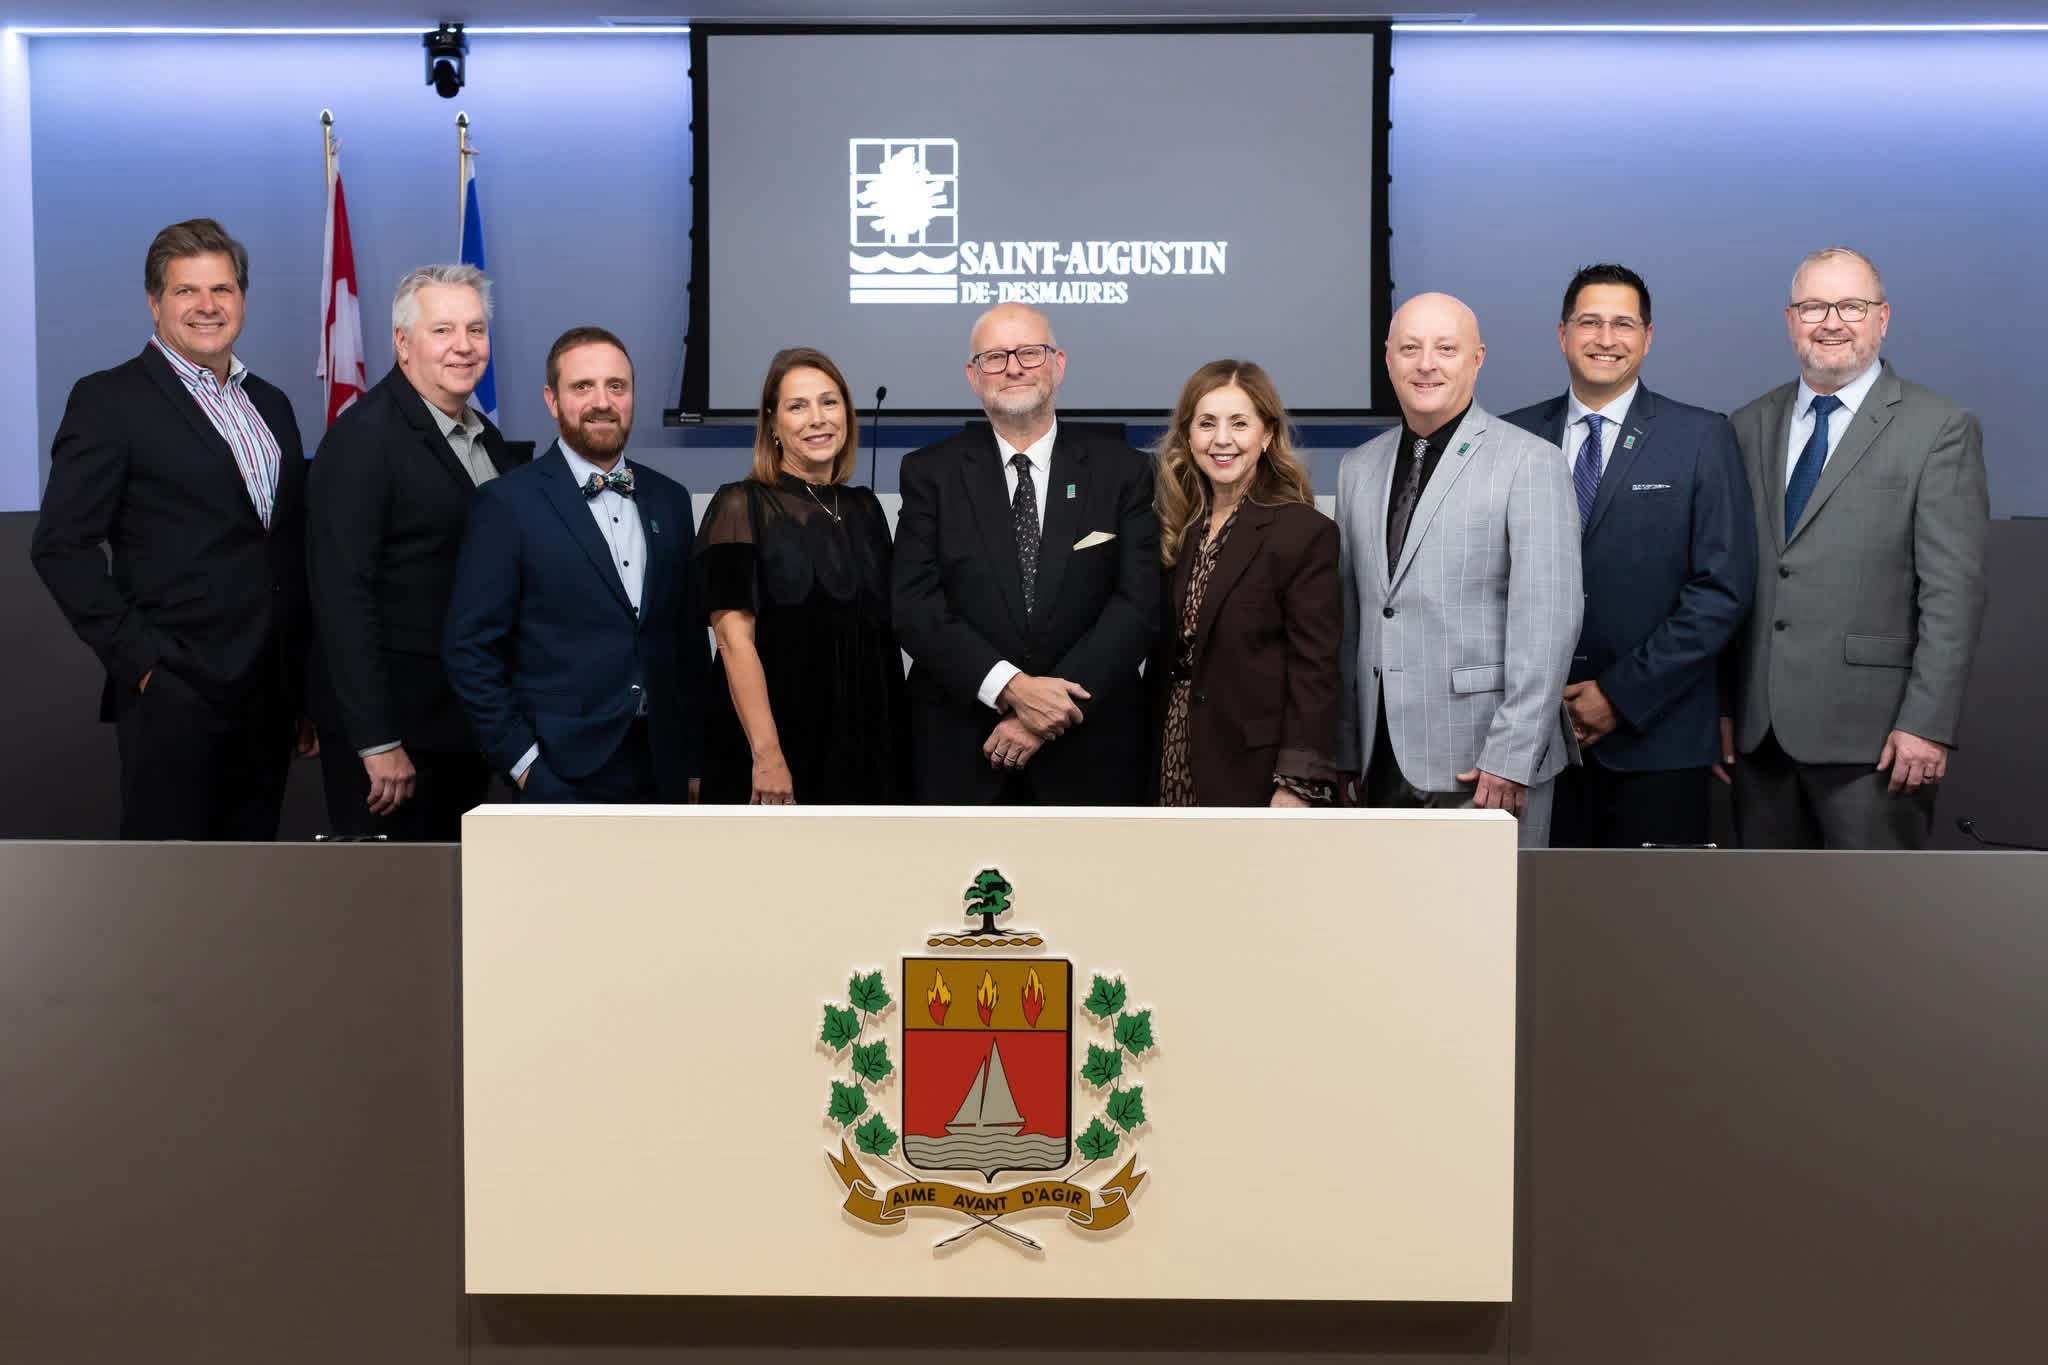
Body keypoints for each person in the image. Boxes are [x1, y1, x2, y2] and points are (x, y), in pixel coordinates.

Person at [31, 218, 314, 840]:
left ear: (242, 299)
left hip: (269, 698)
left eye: (222, 289)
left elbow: (284, 547)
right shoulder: (110, 400)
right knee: (169, 887)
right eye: (187, 290)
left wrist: (301, 687)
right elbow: (60, 545)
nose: (208, 306)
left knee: (252, 879)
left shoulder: (271, 404)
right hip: (175, 694)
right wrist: (143, 664)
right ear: (154, 302)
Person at [1723, 247, 1988, 849]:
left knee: (1872, 909)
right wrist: (1721, 708)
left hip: (1878, 742)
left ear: (1882, 318)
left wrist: (1927, 724)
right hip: (1759, 738)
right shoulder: (1746, 425)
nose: (1831, 322)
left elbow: (1953, 594)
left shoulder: (1939, 427)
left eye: (1851, 306)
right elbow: (1729, 580)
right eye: (1814, 307)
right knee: (1761, 907)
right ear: (1790, 320)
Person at [1501, 264, 1755, 847]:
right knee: (1534, 903)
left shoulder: (1701, 437)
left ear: (1648, 337)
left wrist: (1618, 695)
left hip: (1657, 737)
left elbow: (1722, 591)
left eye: (1623, 324)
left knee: (1653, 907)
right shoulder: (1512, 437)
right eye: (1589, 322)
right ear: (1562, 334)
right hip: (1531, 739)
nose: (1606, 338)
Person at [1334, 292, 1581, 848]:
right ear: (1388, 359)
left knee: (1494, 908)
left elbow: (1548, 621)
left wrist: (1513, 753)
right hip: (1378, 758)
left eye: (1446, 348)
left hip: (1486, 762)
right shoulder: (1357, 469)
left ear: (1477, 358)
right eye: (1410, 349)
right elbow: (1351, 621)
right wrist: (1347, 745)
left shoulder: (1530, 462)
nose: (1427, 364)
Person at [892, 303, 1160, 805]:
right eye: (995, 357)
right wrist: (1012, 688)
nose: (1013, 368)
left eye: (1029, 353)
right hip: (964, 749)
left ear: (1059, 364)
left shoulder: (1124, 471)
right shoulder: (930, 474)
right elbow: (915, 607)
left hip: (1091, 749)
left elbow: (1137, 607)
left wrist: (1049, 710)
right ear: (973, 376)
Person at [306, 264, 526, 840]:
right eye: (443, 330)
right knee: (391, 895)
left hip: (463, 723)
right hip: (396, 739)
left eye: (475, 330)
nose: (464, 346)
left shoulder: (486, 439)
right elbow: (342, 597)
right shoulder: (363, 439)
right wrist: (377, 741)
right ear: (403, 344)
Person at [443, 327, 708, 804]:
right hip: (560, 770)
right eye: (582, 386)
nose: (602, 402)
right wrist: (524, 765)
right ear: (552, 400)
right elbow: (471, 649)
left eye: (616, 386)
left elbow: (686, 641)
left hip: (662, 766)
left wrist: (693, 760)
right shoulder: (506, 503)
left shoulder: (670, 499)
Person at [695, 348, 907, 805]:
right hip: (777, 757)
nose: (818, 418)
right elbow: (733, 642)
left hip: (869, 754)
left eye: (829, 402)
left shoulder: (867, 509)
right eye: (798, 406)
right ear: (772, 424)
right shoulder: (740, 505)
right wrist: (768, 755)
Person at [1150, 360, 1341, 807]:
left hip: (1255, 772)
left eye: (1239, 423)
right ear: (1188, 436)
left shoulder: (1302, 532)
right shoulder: (1176, 528)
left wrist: (1296, 783)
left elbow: (1315, 670)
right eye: (1206, 424)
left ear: (1267, 434)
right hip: (1166, 759)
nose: (1222, 439)